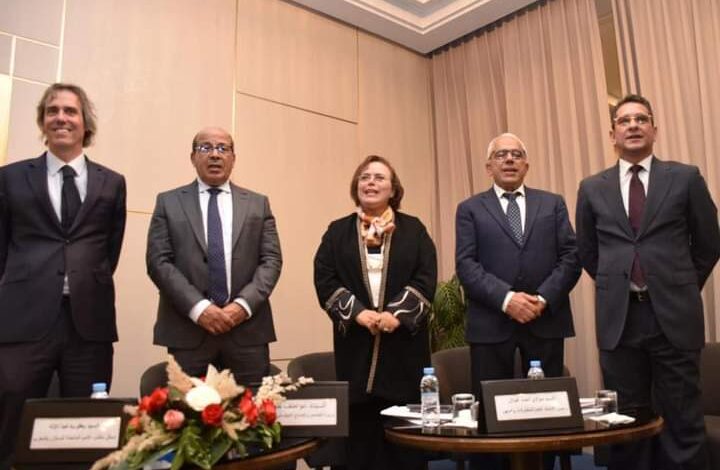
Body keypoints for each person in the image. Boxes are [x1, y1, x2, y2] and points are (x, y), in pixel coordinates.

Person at [576, 94, 720, 470]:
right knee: (626, 423)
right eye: (624, 121)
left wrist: (679, 285)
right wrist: (618, 285)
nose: (633, 125)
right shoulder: (591, 188)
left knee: (683, 420)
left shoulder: (685, 177)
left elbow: (709, 243)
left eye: (641, 119)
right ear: (612, 134)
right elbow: (588, 252)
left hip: (674, 316)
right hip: (620, 320)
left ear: (655, 129)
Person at [0, 83, 126, 469]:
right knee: (11, 418)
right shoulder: (10, 178)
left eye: (70, 111)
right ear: (42, 122)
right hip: (23, 321)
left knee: (86, 424)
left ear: (85, 123)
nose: (61, 118)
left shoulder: (112, 182)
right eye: (52, 111)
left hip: (88, 324)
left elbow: (108, 252)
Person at [455, 133, 581, 470]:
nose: (509, 159)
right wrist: (507, 299)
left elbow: (571, 257)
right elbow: (466, 265)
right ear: (488, 167)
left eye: (516, 154)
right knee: (489, 416)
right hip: (490, 324)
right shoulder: (469, 209)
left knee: (548, 412)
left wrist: (542, 298)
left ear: (526, 164)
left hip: (545, 320)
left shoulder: (552, 203)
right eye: (501, 155)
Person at [314, 155, 437, 470]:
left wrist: (396, 314)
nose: (371, 182)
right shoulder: (337, 232)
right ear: (356, 186)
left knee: (405, 448)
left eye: (380, 177)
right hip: (356, 349)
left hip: (403, 350)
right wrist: (358, 313)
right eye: (365, 177)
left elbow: (426, 277)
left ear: (393, 189)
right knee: (362, 447)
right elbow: (325, 278)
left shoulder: (415, 229)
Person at [147, 127, 282, 385]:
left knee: (253, 408)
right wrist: (200, 309)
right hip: (188, 331)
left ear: (233, 158)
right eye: (205, 147)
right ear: (192, 157)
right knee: (188, 410)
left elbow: (271, 261)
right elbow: (158, 263)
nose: (215, 155)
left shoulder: (258, 203)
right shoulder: (168, 202)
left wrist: (242, 307)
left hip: (247, 332)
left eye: (223, 148)